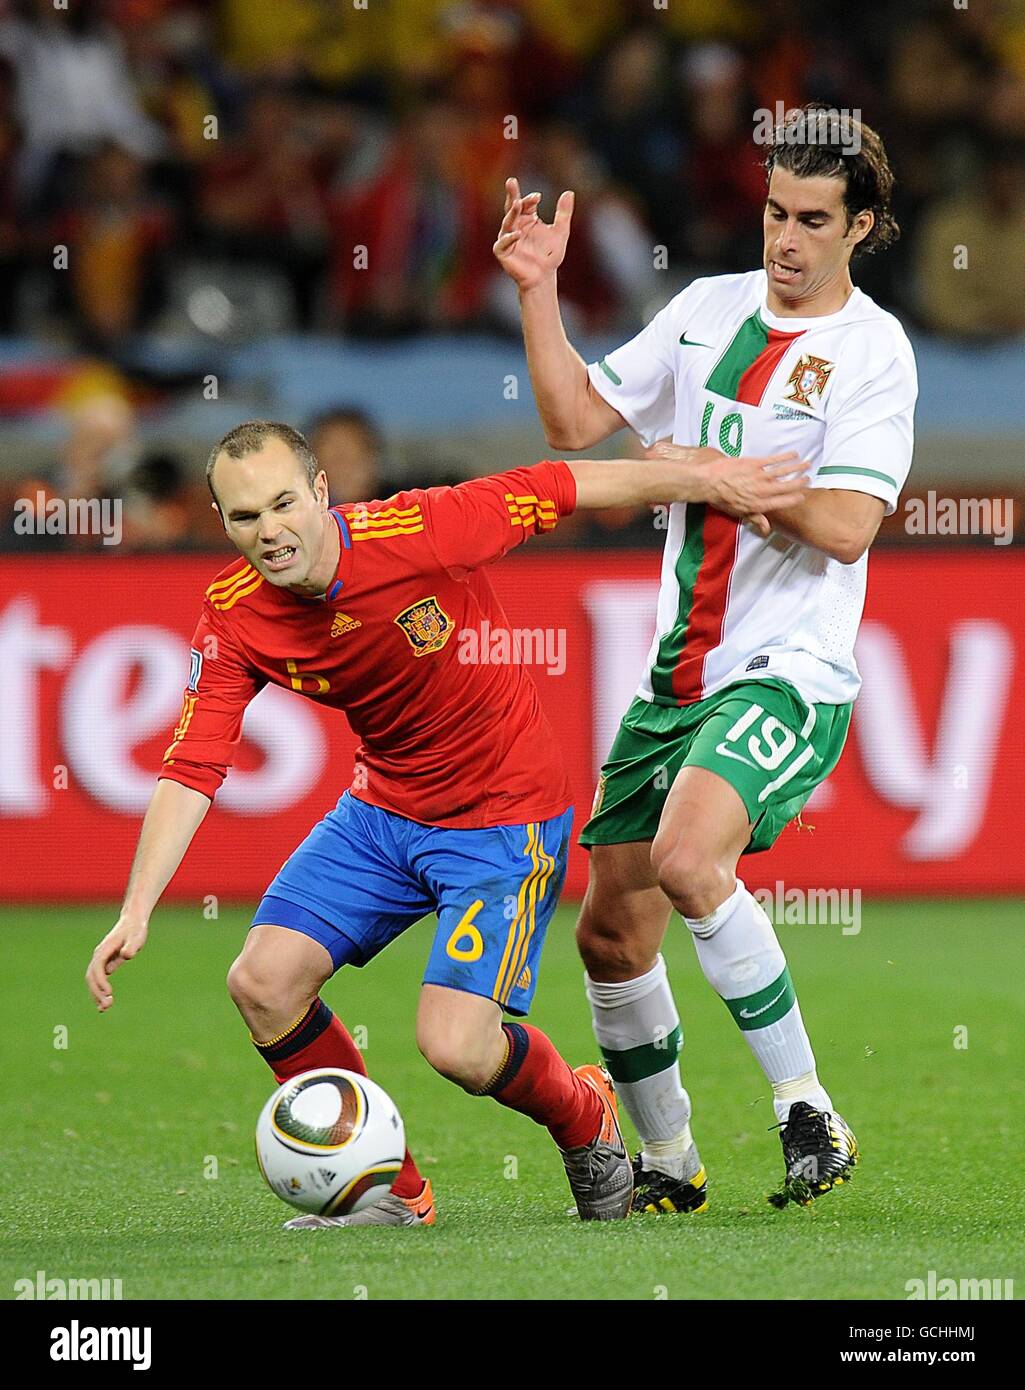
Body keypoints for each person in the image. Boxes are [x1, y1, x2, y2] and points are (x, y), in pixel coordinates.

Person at [84, 417, 808, 1227]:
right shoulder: (233, 615)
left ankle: (583, 1112)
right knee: (261, 982)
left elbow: (557, 487)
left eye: (284, 504)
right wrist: (137, 906)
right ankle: (388, 1192)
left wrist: (708, 482)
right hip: (383, 811)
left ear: (321, 492)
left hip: (503, 817)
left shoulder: (417, 530)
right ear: (221, 521)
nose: (270, 531)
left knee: (458, 1048)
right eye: (245, 517)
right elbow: (192, 766)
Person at [494, 104, 917, 1211]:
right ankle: (669, 1162)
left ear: (858, 226)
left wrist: (710, 471)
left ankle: (804, 1105)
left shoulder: (872, 352)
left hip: (789, 669)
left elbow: (845, 528)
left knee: (687, 858)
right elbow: (574, 421)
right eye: (774, 211)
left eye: (811, 220)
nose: (783, 239)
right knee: (608, 931)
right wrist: (538, 292)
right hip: (673, 675)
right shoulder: (702, 312)